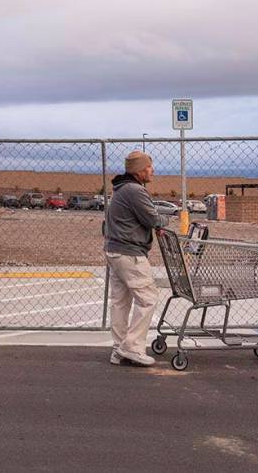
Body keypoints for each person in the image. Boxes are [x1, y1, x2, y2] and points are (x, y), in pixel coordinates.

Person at [103, 151, 169, 367]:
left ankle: (118, 349)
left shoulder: (122, 189)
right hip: (129, 253)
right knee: (148, 298)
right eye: (149, 167)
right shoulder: (134, 190)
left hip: (115, 250)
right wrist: (164, 220)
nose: (153, 170)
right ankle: (131, 347)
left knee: (120, 302)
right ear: (140, 170)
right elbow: (152, 218)